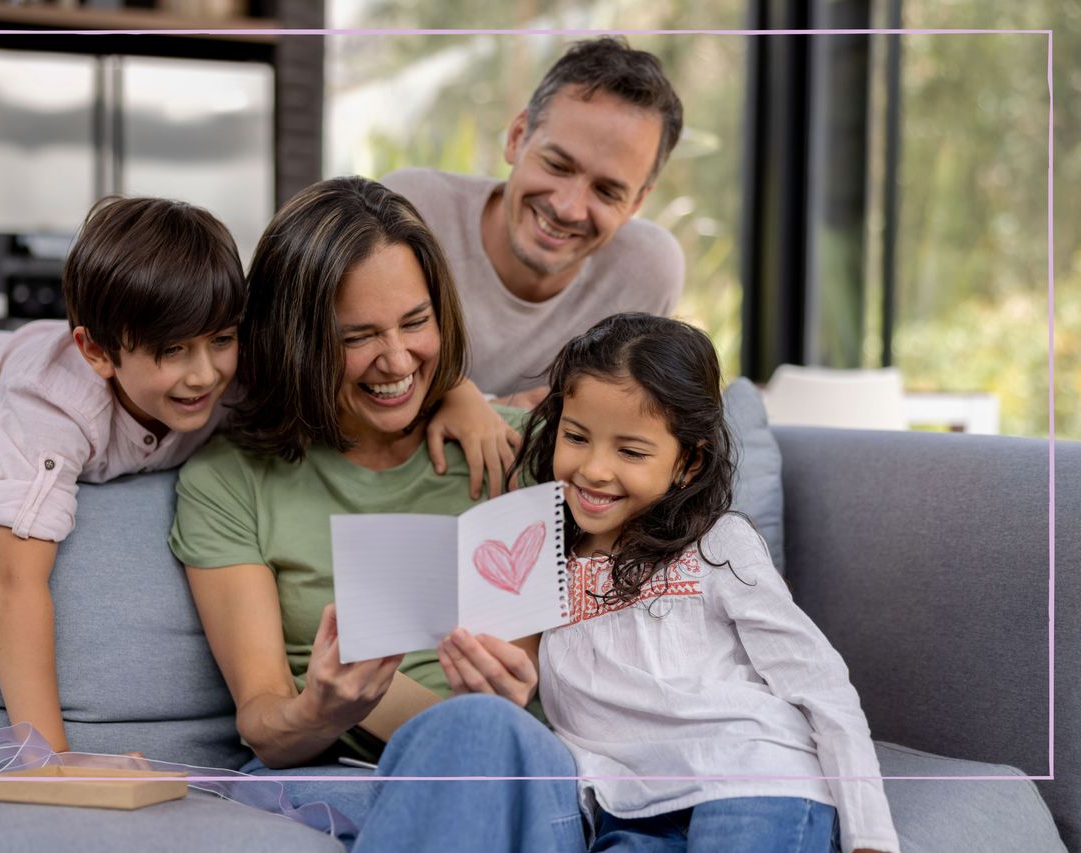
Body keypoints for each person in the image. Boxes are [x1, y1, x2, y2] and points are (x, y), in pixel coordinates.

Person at [0, 196, 514, 756]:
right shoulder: (53, 411)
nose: (203, 376)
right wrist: (49, 763)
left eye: (222, 339)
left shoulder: (229, 368)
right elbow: (14, 585)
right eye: (172, 351)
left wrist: (460, 392)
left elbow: (379, 363)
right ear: (97, 351)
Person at [169, 176, 584, 851]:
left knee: (481, 733)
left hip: (514, 770)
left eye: (416, 322)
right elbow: (267, 725)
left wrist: (505, 700)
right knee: (471, 733)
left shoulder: (513, 449)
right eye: (357, 336)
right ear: (294, 339)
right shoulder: (230, 479)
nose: (397, 360)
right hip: (337, 774)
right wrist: (320, 707)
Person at [501, 313, 900, 852]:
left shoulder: (718, 546)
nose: (594, 469)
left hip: (753, 774)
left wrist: (870, 836)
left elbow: (818, 680)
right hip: (625, 806)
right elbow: (507, 684)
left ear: (688, 463)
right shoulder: (538, 552)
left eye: (631, 451)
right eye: (576, 436)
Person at [382, 37, 686, 407]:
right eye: (557, 166)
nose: (569, 208)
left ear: (637, 201)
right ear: (516, 138)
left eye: (607, 192)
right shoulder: (412, 211)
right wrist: (467, 402)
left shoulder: (647, 270)